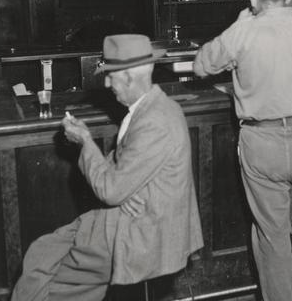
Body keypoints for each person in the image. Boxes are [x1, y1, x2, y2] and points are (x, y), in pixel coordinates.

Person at [11, 34, 203, 301]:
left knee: (48, 280)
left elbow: (111, 191)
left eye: (111, 75)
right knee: (42, 251)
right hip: (135, 216)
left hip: (141, 232)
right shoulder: (155, 107)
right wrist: (124, 186)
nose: (107, 83)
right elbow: (126, 168)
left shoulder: (153, 121)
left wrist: (85, 142)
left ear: (128, 77)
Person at [193, 0, 292, 301]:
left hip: (263, 143)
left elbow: (202, 64)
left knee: (272, 237)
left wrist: (239, 25)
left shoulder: (244, 30)